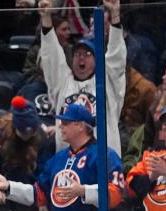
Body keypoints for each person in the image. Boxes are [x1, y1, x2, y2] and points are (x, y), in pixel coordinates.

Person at [38, 0, 127, 153]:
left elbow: (116, 56)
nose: (81, 58)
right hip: (69, 162)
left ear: (97, 60)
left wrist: (115, 15)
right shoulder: (63, 81)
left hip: (102, 161)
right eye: (77, 54)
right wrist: (46, 18)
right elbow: (51, 56)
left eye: (87, 54)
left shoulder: (107, 82)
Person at [0, 96, 54, 211]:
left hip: (27, 189)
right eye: (23, 131)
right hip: (1, 189)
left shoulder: (40, 137)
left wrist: (41, 200)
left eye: (31, 131)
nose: (27, 134)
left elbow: (43, 173)